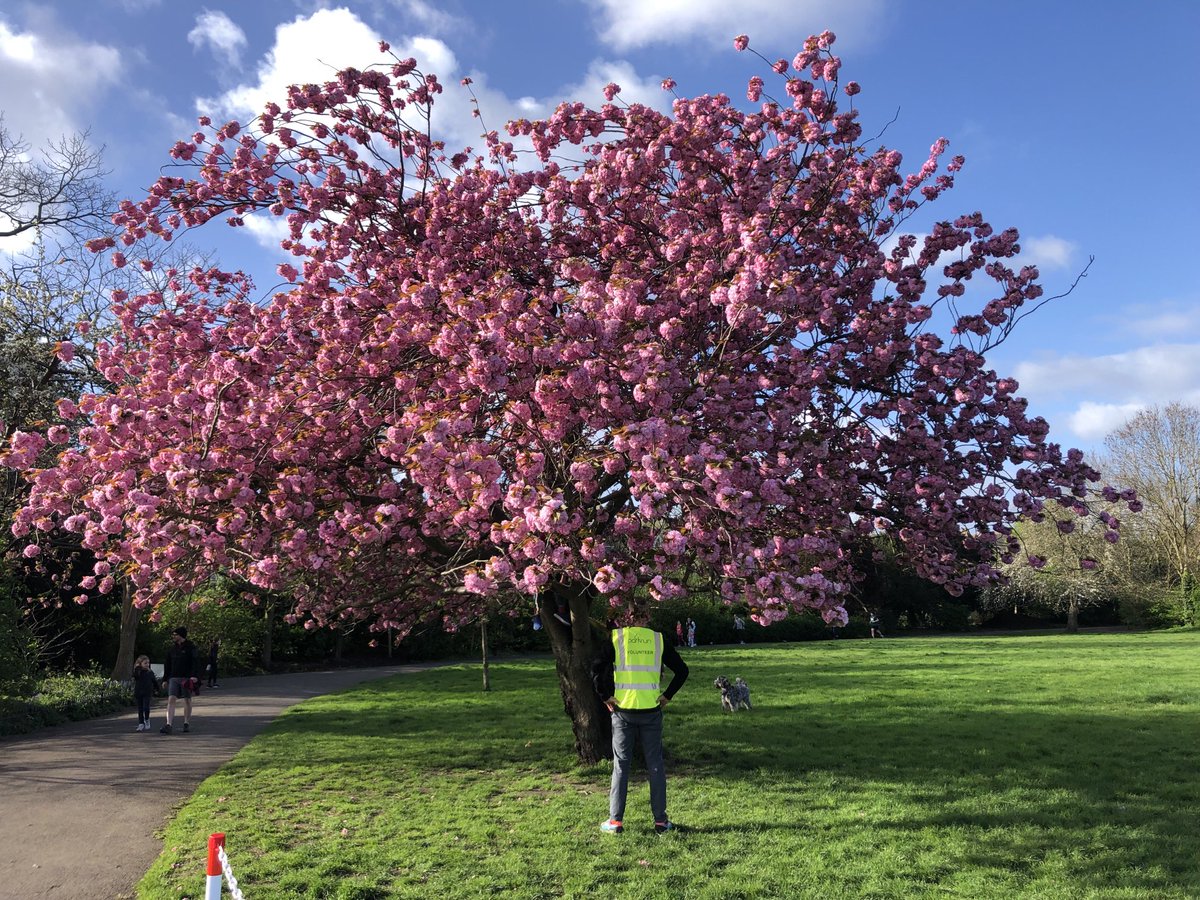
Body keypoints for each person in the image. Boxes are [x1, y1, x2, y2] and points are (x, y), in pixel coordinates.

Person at [592, 612, 689, 835]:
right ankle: (661, 822)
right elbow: (682, 671)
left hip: (623, 710)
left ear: (625, 618)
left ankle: (615, 821)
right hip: (651, 710)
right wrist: (668, 695)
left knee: (621, 766)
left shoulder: (616, 638)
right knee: (655, 765)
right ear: (646, 619)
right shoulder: (658, 639)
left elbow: (595, 668)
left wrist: (605, 695)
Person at [160, 626, 198, 734]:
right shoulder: (172, 649)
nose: (174, 636)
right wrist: (165, 679)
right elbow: (167, 665)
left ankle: (186, 722)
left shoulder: (191, 647)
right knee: (171, 699)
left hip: (186, 678)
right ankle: (169, 724)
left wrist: (195, 676)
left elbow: (195, 662)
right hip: (173, 677)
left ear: (181, 635)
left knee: (187, 699)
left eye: (175, 634)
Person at [132, 655, 158, 732]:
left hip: (147, 692)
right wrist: (137, 668)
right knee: (140, 709)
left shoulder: (150, 672)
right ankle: (141, 723)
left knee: (146, 708)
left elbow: (154, 681)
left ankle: (146, 719)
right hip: (139, 692)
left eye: (148, 663)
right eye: (145, 663)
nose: (147, 665)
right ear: (140, 664)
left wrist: (157, 689)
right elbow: (135, 677)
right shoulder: (138, 672)